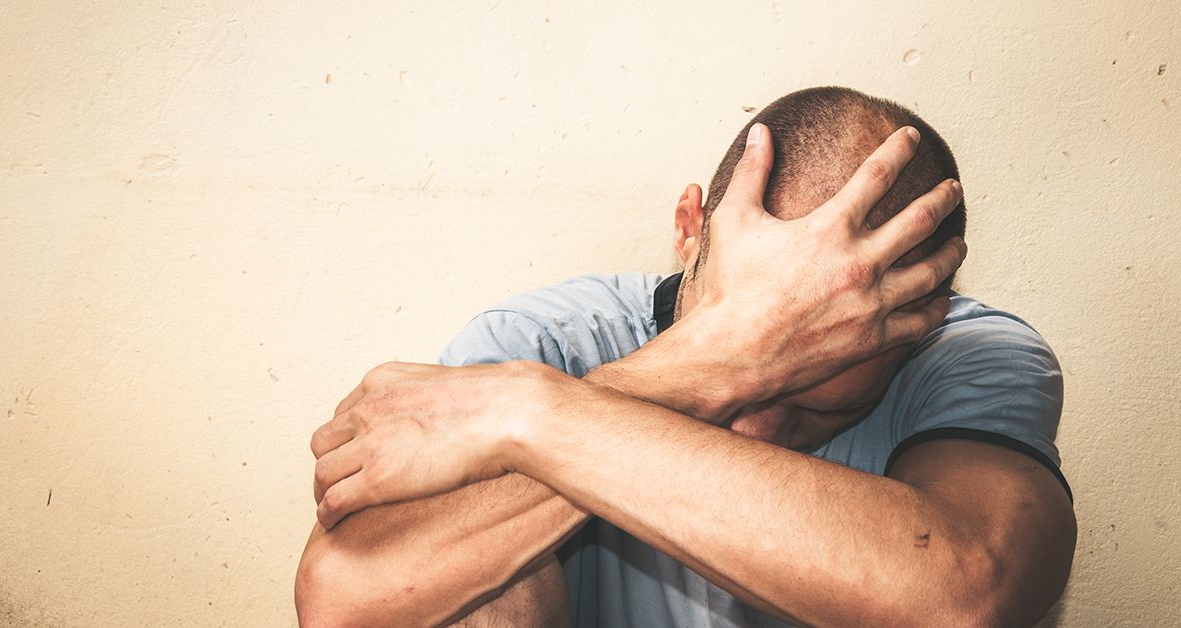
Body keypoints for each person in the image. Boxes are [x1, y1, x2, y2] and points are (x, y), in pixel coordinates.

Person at [295, 87, 1076, 627]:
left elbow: (966, 601)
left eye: (816, 400)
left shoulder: (968, 353)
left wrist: (531, 414)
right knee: (468, 578)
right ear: (688, 228)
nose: (755, 429)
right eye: (748, 331)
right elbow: (344, 600)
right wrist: (699, 370)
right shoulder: (546, 341)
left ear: (919, 316)